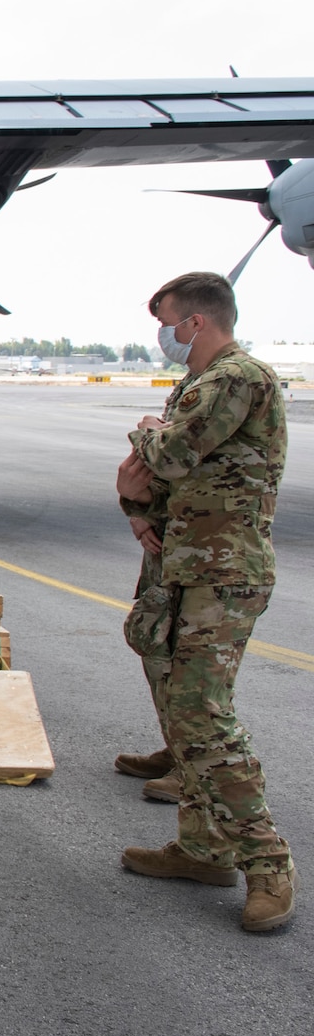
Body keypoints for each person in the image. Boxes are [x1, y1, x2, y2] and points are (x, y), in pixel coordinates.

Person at [115, 270, 293, 932]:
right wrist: (134, 504)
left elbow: (173, 449)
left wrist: (142, 431)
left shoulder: (239, 378)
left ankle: (268, 861)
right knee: (176, 700)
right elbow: (151, 479)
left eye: (168, 322)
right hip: (183, 567)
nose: (163, 336)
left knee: (203, 715)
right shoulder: (197, 384)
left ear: (198, 320)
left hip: (224, 572)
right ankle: (203, 847)